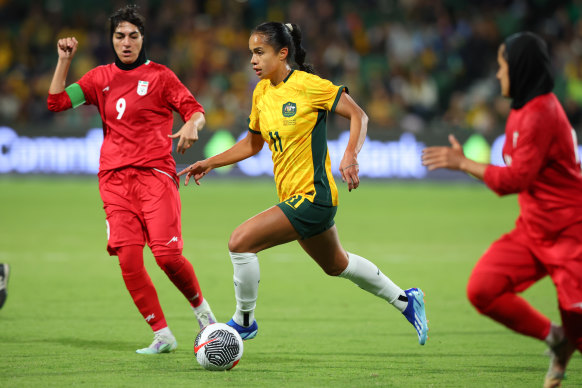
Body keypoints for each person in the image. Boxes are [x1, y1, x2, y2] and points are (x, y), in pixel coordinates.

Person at [178, 22, 429, 346]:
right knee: (337, 264)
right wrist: (210, 161)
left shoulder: (310, 86)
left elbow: (359, 116)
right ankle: (407, 301)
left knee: (240, 242)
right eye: (251, 53)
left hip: (314, 196)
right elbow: (253, 145)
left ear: (282, 53)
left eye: (259, 52)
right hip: (295, 197)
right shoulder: (261, 93)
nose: (253, 60)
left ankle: (244, 320)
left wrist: (350, 154)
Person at [47, 5, 216, 354]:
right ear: (112, 39)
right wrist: (64, 60)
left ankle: (204, 315)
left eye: (133, 36)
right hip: (113, 180)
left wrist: (190, 125)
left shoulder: (161, 77)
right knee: (128, 259)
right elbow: (57, 103)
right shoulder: (98, 78)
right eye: (120, 36)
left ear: (143, 39)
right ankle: (162, 334)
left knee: (167, 256)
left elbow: (196, 111)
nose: (126, 42)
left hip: (155, 175)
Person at [422, 32, 582, 388]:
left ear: (519, 68)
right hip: (534, 230)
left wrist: (463, 164)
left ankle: (568, 337)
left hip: (571, 234)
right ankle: (556, 338)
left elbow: (515, 179)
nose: (498, 74)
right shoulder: (523, 109)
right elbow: (515, 178)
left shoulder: (540, 113)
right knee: (483, 289)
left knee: (579, 325)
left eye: (502, 65)